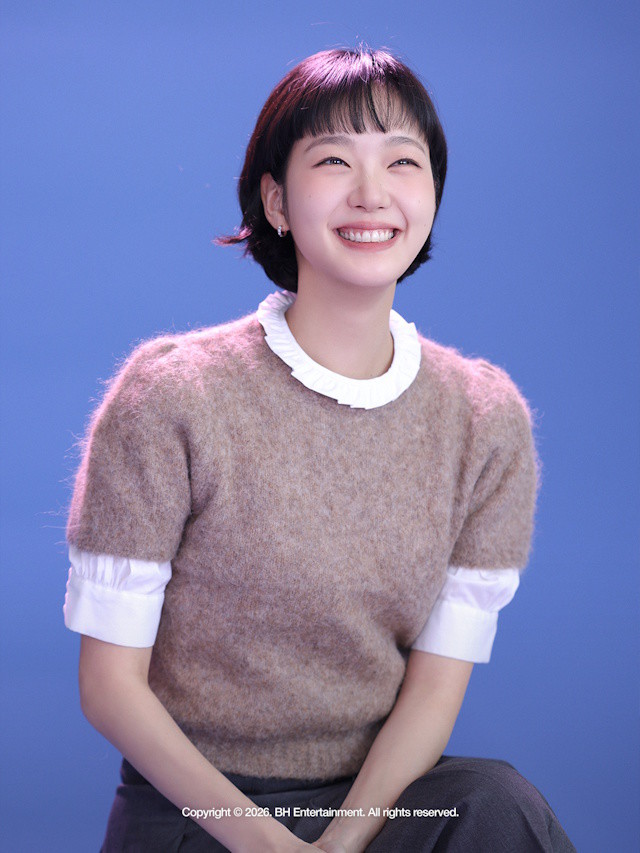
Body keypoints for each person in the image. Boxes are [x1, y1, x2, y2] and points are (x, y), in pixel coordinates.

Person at [64, 47, 576, 852]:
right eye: (334, 160)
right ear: (276, 199)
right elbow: (108, 687)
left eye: (402, 162)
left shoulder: (483, 418)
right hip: (202, 813)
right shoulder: (172, 395)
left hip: (370, 809)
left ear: (432, 194)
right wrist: (268, 843)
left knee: (495, 804)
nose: (372, 192)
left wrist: (338, 846)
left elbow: (434, 689)